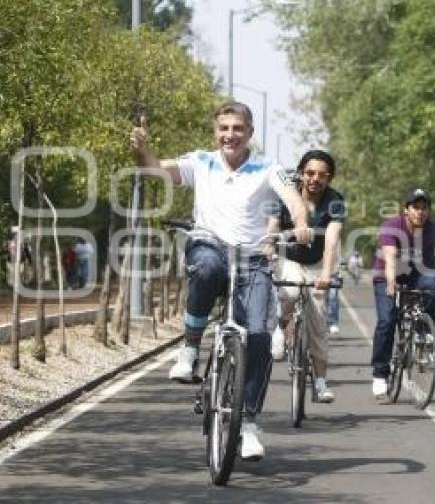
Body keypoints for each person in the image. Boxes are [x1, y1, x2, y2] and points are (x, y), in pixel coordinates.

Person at [130, 101, 311, 460]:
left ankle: (248, 425)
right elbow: (156, 170)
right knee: (207, 269)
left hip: (253, 257)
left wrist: (302, 223)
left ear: (250, 133)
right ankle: (191, 348)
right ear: (216, 132)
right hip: (210, 244)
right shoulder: (201, 161)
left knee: (259, 335)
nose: (230, 135)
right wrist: (142, 150)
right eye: (224, 128)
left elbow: (293, 199)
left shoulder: (268, 168)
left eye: (237, 128)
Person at [268, 149, 345, 403]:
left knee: (318, 323)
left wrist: (325, 275)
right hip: (288, 257)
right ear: (301, 173)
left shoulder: (335, 200)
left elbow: (332, 238)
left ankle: (321, 382)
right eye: (310, 173)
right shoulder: (285, 194)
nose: (315, 179)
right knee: (289, 291)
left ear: (329, 178)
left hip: (318, 260)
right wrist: (268, 247)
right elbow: (272, 226)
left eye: (323, 175)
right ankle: (282, 324)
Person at [369, 188, 435, 399]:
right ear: (406, 210)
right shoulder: (392, 226)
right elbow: (390, 257)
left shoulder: (433, 229)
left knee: (434, 286)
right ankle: (380, 373)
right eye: (415, 208)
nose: (420, 212)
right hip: (387, 274)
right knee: (387, 320)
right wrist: (391, 281)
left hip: (416, 274)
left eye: (424, 208)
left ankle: (421, 331)